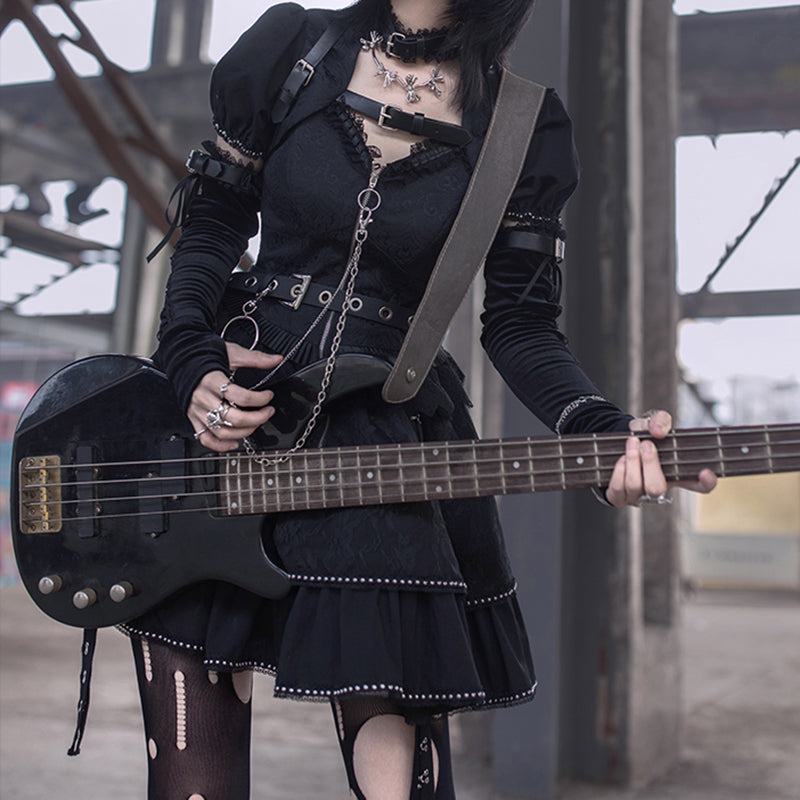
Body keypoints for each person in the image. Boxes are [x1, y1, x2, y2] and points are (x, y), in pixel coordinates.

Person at [127, 1, 718, 797]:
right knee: (192, 774)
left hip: (383, 434)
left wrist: (599, 427)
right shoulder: (291, 47)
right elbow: (212, 224)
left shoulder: (522, 124)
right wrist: (189, 359)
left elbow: (520, 324)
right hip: (228, 411)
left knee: (398, 774)